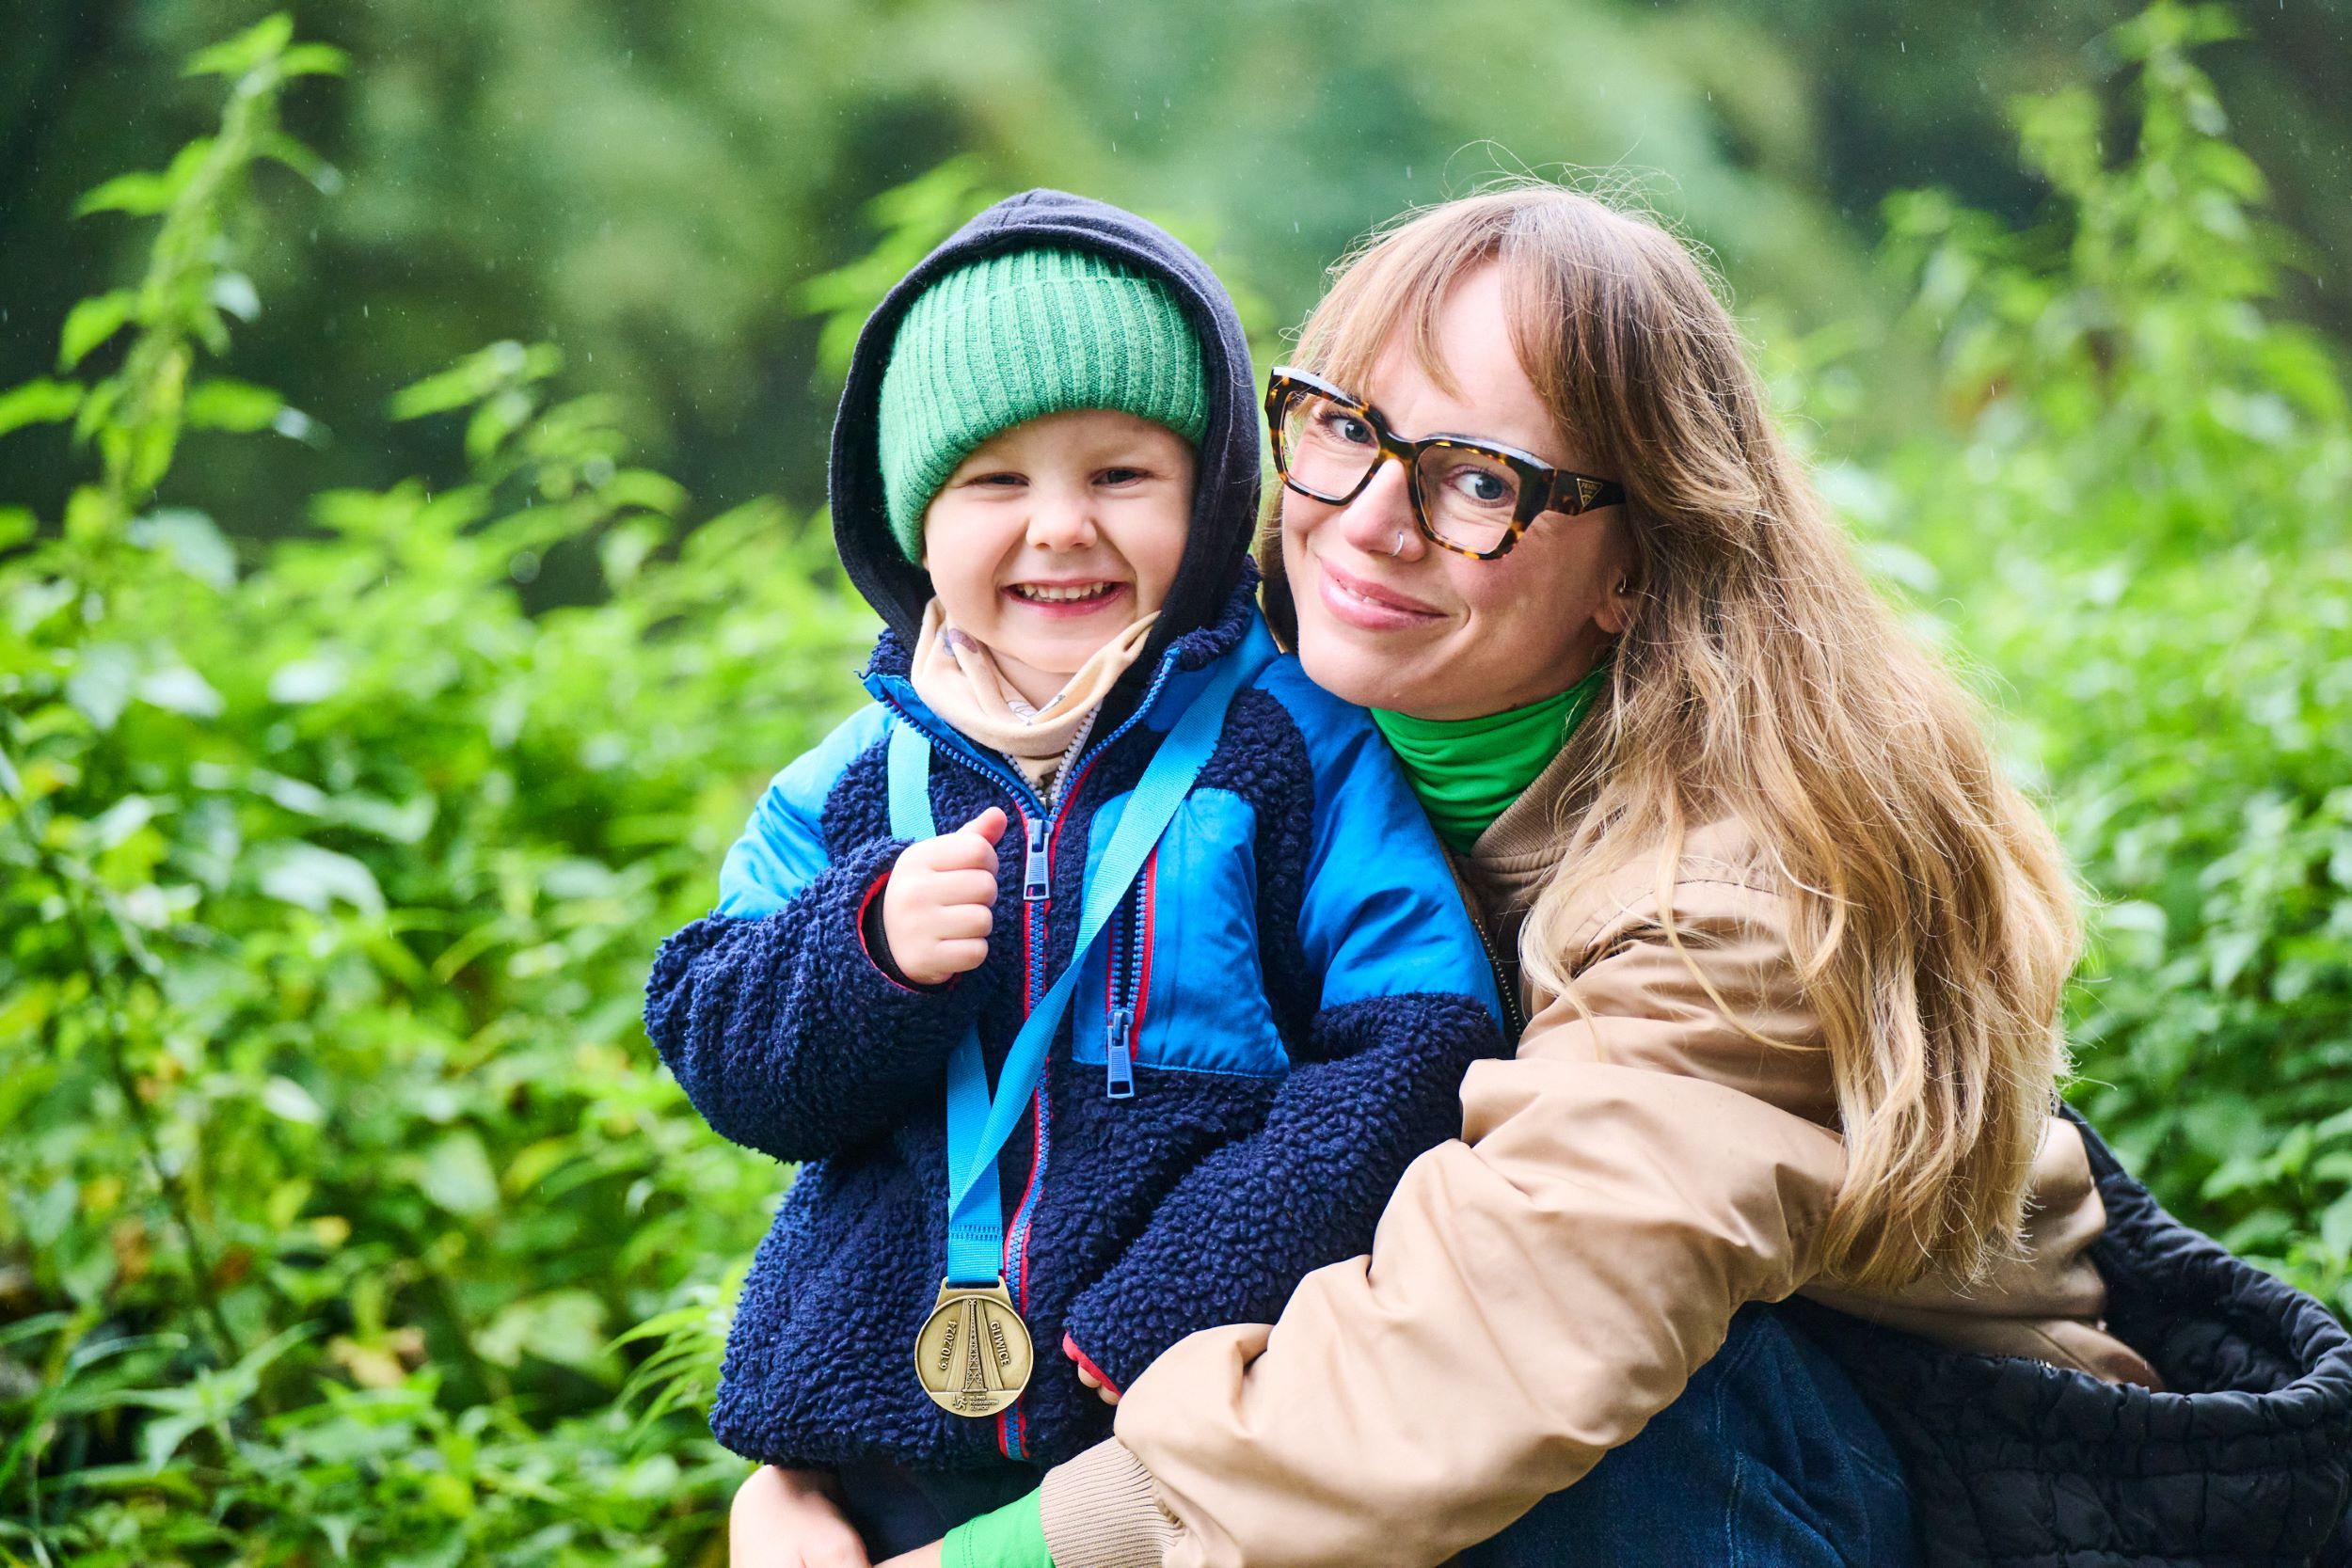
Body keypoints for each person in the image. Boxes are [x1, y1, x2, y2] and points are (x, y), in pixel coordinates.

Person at [731, 184, 2352, 1568]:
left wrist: (994, 1555)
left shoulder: (1747, 885)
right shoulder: (1252, 733)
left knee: (1565, 1404)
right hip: (1492, 1422)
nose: (1371, 521)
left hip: (1896, 1475)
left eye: (1480, 480)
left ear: (1639, 563)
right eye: (1350, 432)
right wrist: (822, 1468)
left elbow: (1486, 1360)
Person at [643, 191, 1506, 1567]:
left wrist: (1198, 1280)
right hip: (875, 1441)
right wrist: (861, 953)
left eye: (1119, 476)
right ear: (909, 519)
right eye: (994, 482)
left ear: (1215, 497)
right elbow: (727, 1051)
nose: (1059, 528)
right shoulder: (843, 787)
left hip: (1180, 1410)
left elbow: (1421, 1044)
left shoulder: (1296, 750)